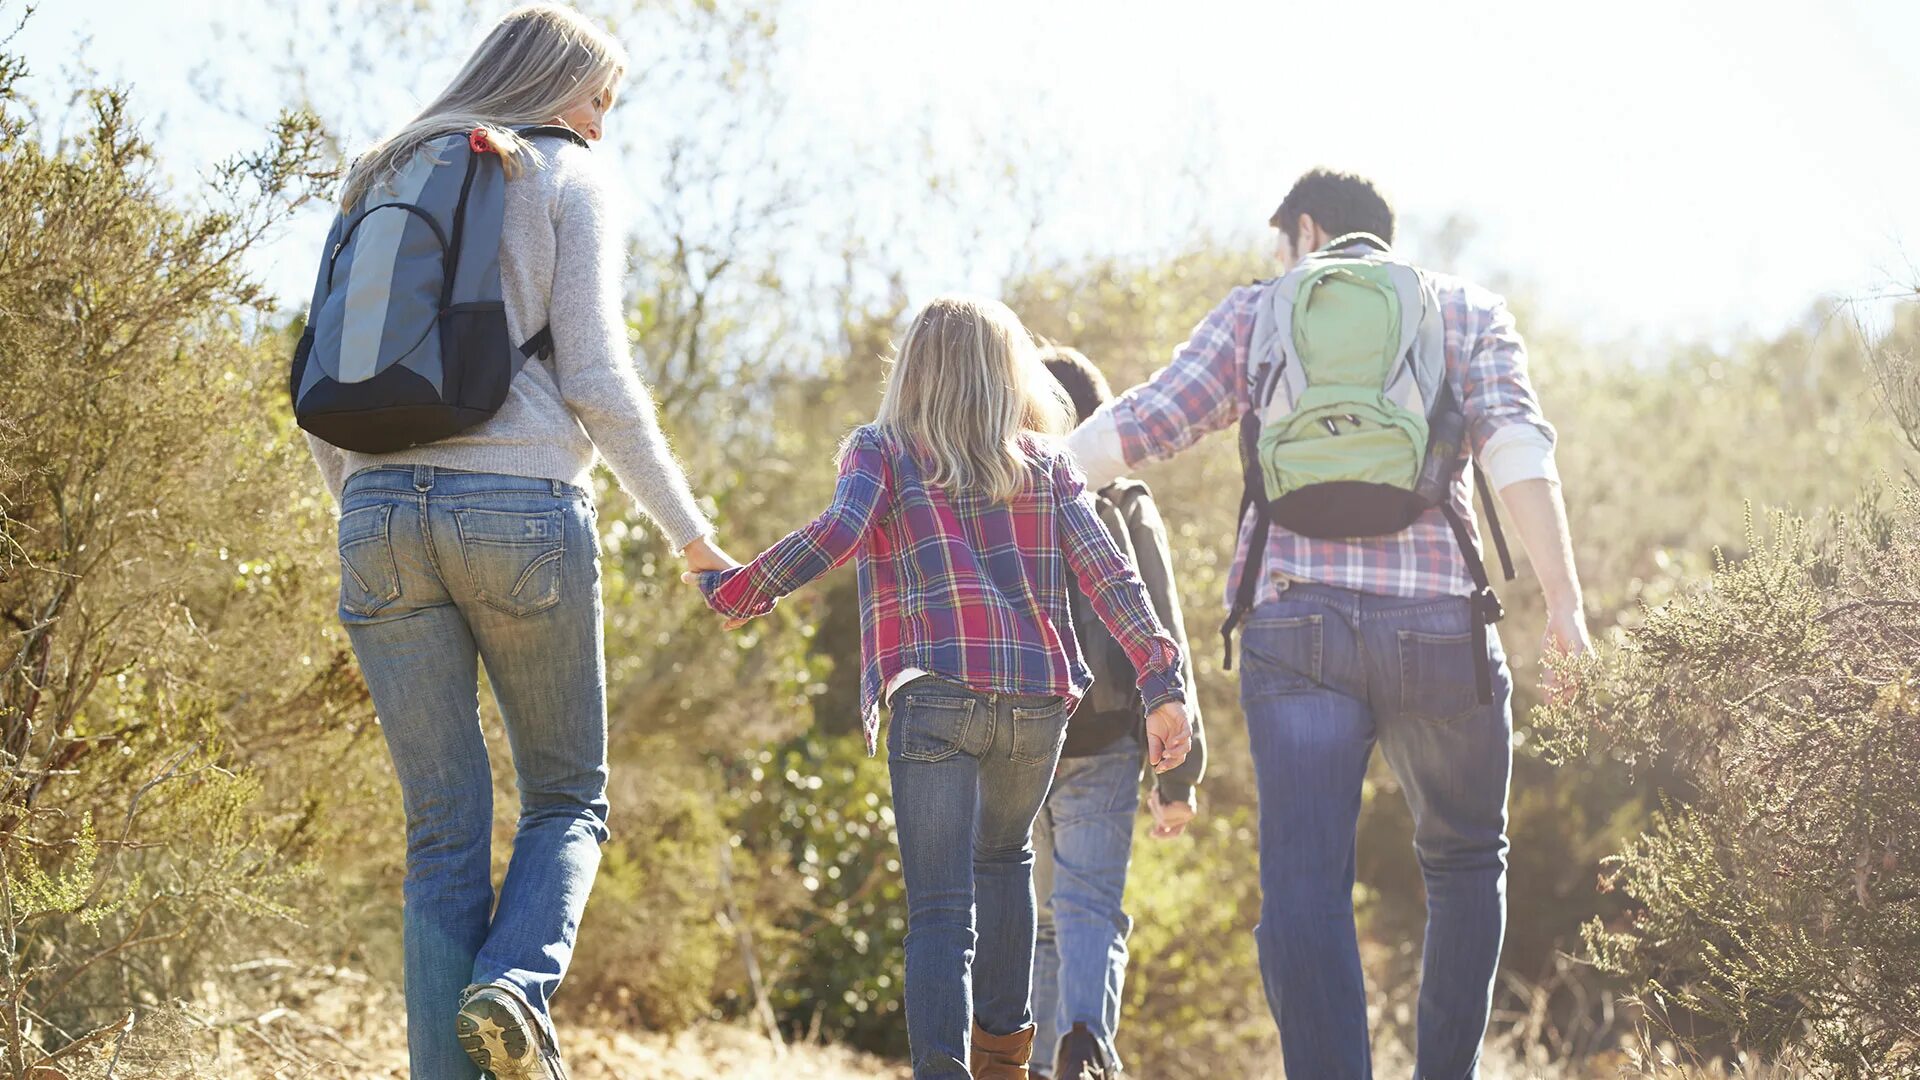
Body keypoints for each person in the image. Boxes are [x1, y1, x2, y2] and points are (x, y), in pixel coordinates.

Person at [1064, 168, 1592, 1080]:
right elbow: (1516, 448)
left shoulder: (1260, 310)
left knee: (1305, 888)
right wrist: (1565, 606)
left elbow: (1139, 427)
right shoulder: (1463, 309)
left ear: (1305, 231)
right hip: (1439, 626)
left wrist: (1017, 477)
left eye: (1283, 246)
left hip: (1295, 626)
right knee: (1466, 863)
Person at [304, 6, 734, 1077]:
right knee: (567, 799)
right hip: (521, 512)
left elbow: (319, 384)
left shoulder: (379, 173)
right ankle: (515, 987)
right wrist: (692, 538)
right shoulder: (566, 175)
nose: (603, 123)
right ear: (555, 86)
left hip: (377, 518)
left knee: (443, 831)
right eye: (601, 97)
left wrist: (362, 507)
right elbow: (595, 379)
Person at [685, 296, 1192, 1080]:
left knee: (940, 908)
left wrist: (743, 589)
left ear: (913, 368)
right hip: (1034, 700)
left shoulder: (881, 449)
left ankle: (943, 1069)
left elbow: (839, 533)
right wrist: (1162, 684)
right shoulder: (1050, 462)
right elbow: (1109, 575)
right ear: (1010, 370)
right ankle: (1003, 1059)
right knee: (1006, 861)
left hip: (932, 697)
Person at [1027, 346, 1206, 1080]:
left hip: (1019, 733)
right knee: (1089, 908)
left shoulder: (1006, 490)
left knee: (1039, 922)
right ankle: (1084, 1050)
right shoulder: (1123, 498)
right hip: (1106, 734)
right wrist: (1180, 772)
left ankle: (1035, 1066)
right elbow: (1163, 624)